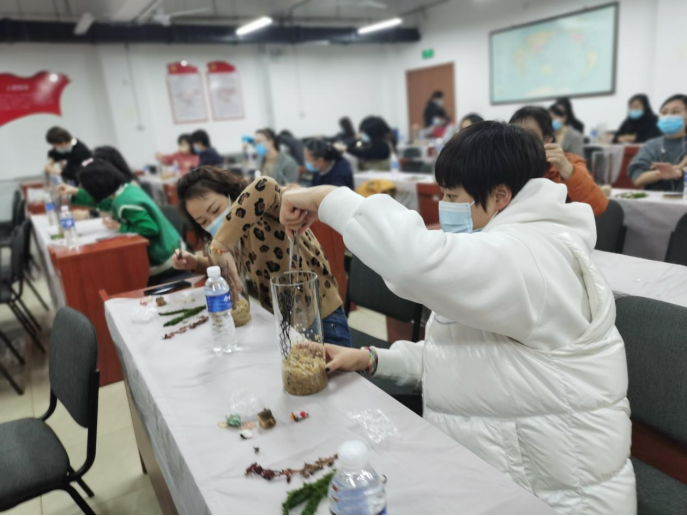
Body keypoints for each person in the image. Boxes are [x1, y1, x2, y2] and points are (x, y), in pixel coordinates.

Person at [279, 121, 635, 515]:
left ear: (500, 196)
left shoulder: (533, 257)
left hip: (557, 498)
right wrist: (371, 358)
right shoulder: (515, 247)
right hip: (504, 475)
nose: (444, 205)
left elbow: (411, 262)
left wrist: (325, 197)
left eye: (452, 196)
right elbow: (470, 354)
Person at [174, 167, 351, 347]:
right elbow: (228, 267)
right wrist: (195, 262)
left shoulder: (264, 209)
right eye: (203, 222)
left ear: (232, 194)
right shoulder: (232, 239)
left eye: (215, 209)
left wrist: (219, 243)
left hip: (320, 315)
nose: (213, 221)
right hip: (283, 320)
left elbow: (266, 185)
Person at [63, 159, 181, 284]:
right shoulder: (127, 189)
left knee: (119, 272)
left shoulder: (124, 203)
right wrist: (75, 192)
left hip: (165, 259)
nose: (81, 187)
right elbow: (106, 203)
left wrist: (120, 227)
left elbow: (150, 228)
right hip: (173, 247)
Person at [511, 107, 608, 216]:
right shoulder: (506, 163)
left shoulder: (567, 163)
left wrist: (566, 169)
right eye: (515, 135)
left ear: (547, 139)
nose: (521, 142)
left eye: (529, 135)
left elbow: (597, 206)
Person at [629, 94, 687, 192]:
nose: (668, 116)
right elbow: (638, 178)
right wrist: (665, 173)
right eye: (664, 112)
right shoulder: (651, 145)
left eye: (675, 112)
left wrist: (678, 172)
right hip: (654, 200)